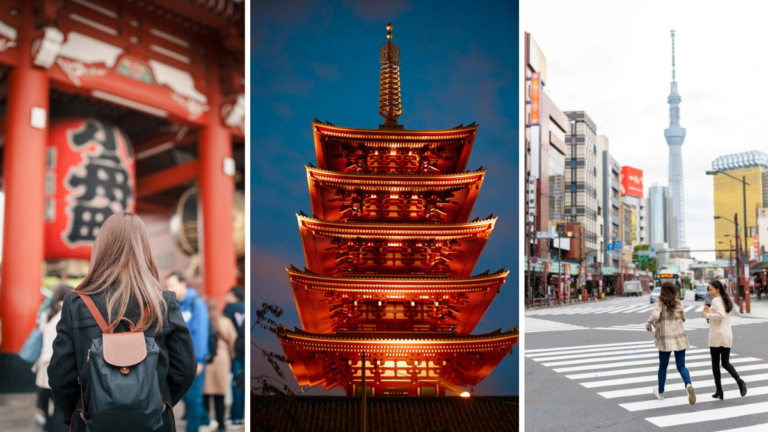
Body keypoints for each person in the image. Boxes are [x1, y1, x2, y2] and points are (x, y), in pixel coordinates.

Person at [48, 212, 197, 432]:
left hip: (92, 424)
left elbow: (60, 376)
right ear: (144, 248)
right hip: (154, 425)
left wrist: (83, 409)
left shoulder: (76, 304)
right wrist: (153, 404)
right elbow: (185, 369)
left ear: (102, 248)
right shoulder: (164, 302)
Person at [166, 271, 210, 432]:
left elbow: (201, 332)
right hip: (180, 359)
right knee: (185, 395)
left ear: (183, 284)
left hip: (195, 358)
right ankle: (206, 419)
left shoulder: (196, 303)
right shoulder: (175, 304)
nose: (169, 289)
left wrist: (199, 360)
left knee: (193, 398)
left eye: (172, 285)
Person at [646, 281, 696, 404]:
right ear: (674, 291)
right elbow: (683, 318)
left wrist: (649, 324)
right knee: (681, 366)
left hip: (665, 338)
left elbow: (655, 315)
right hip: (679, 337)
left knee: (663, 366)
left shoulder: (659, 302)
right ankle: (688, 384)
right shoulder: (677, 302)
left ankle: (661, 392)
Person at [33, 284, 72, 432]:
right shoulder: (71, 311)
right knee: (61, 410)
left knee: (45, 407)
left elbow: (41, 331)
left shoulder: (47, 312)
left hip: (44, 367)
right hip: (62, 366)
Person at [702, 280, 747, 399]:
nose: (710, 292)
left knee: (715, 364)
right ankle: (739, 381)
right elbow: (721, 313)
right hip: (726, 335)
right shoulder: (725, 299)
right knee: (726, 363)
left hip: (717, 335)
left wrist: (707, 315)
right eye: (709, 289)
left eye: (711, 289)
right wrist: (709, 310)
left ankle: (719, 390)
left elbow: (720, 315)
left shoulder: (716, 300)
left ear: (718, 289)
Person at [202, 298, 237, 431]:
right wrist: (231, 355)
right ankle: (221, 424)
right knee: (220, 394)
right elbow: (233, 340)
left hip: (206, 359)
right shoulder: (225, 321)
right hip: (222, 359)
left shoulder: (203, 322)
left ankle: (206, 422)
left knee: (205, 393)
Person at [223, 286, 245, 427]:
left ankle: (236, 417)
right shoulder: (244, 307)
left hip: (236, 349)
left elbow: (226, 330)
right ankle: (241, 416)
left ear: (232, 294)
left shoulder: (229, 308)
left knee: (236, 383)